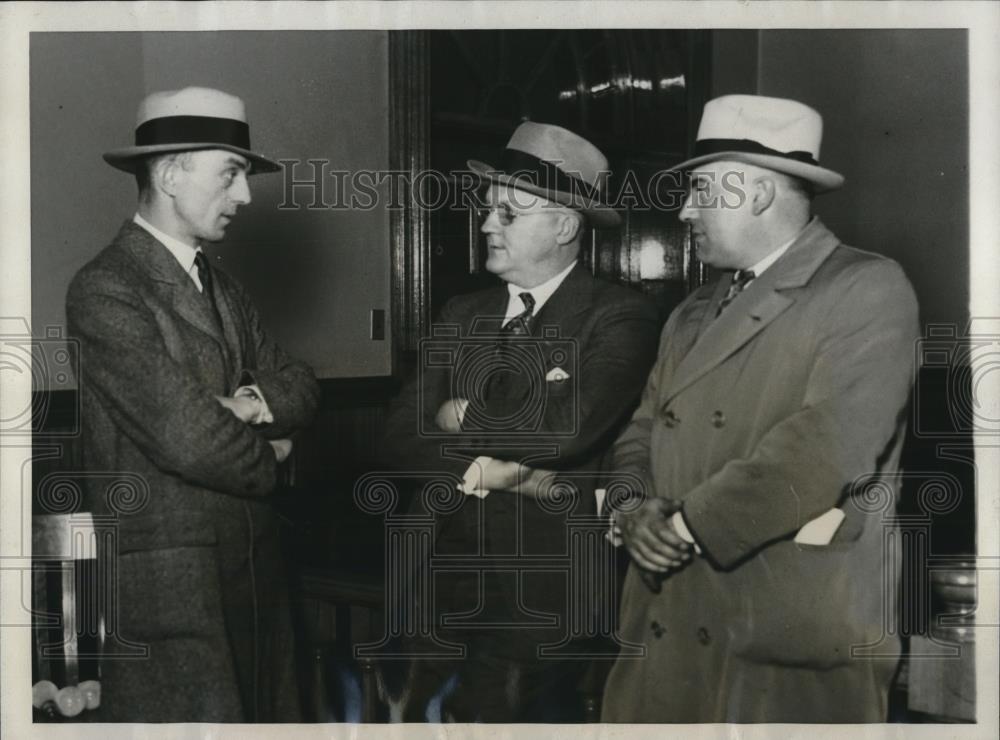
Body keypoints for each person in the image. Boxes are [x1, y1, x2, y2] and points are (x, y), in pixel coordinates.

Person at [601, 94, 920, 723]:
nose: (685, 210)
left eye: (700, 191)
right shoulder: (691, 311)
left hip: (775, 633)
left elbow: (824, 446)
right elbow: (641, 428)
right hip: (664, 620)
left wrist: (680, 528)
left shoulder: (867, 287)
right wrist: (631, 505)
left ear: (756, 193)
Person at [380, 122, 661, 722]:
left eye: (508, 213)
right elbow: (401, 433)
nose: (487, 224)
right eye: (488, 210)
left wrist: (463, 419)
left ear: (564, 225)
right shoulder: (461, 313)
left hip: (544, 598)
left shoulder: (619, 317)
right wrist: (491, 466)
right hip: (434, 585)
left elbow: (567, 429)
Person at [66, 87, 320, 722]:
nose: (246, 196)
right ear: (172, 171)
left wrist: (252, 405)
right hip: (173, 595)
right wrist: (276, 455)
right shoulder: (106, 290)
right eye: (231, 173)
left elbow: (301, 382)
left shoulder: (225, 286)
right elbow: (188, 436)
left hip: (256, 578)